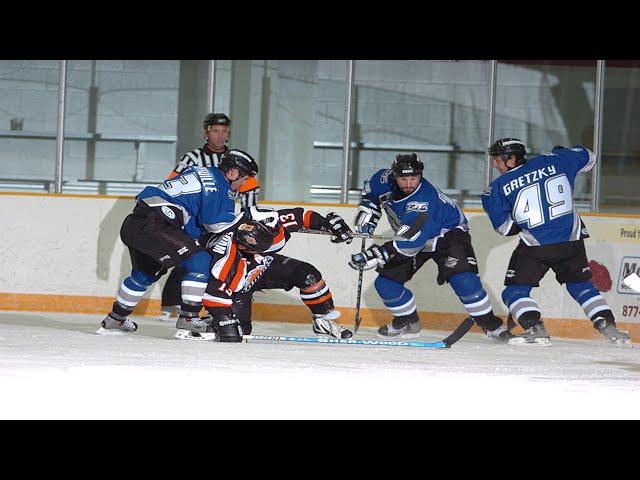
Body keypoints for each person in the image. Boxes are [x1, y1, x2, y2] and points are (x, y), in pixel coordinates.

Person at [481, 138, 631, 346]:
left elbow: (505, 229)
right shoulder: (557, 160)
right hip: (572, 241)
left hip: (536, 246)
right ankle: (610, 328)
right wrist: (562, 152)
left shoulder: (496, 188)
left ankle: (535, 328)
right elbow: (590, 157)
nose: (495, 165)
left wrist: (523, 218)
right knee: (581, 286)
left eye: (498, 160)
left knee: (515, 291)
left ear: (513, 158)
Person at [348, 153, 511, 342]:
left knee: (464, 281)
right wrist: (369, 211)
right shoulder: (383, 179)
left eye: (414, 178)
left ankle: (492, 325)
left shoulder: (423, 200)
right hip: (412, 236)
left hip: (448, 235)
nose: (409, 184)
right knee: (385, 284)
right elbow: (371, 195)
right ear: (394, 175)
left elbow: (411, 243)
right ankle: (408, 321)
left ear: (420, 175)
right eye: (404, 179)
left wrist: (377, 253)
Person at [97, 149, 259, 335]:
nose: (244, 183)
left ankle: (115, 319)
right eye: (244, 178)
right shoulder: (216, 184)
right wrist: (246, 223)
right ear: (232, 173)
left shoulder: (204, 173)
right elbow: (213, 222)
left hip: (137, 223)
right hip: (157, 223)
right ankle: (189, 318)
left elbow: (193, 224)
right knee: (200, 261)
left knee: (145, 274)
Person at [189, 206, 354, 342]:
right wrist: (223, 319)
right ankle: (208, 323)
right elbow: (215, 290)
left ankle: (323, 320)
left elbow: (302, 216)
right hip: (240, 283)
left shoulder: (272, 220)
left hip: (263, 264)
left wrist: (328, 223)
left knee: (307, 275)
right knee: (241, 331)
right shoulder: (225, 250)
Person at [159, 113, 261, 321]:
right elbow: (172, 185)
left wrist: (248, 220)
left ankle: (211, 302)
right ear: (206, 133)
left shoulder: (238, 160)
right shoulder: (193, 158)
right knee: (188, 256)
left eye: (224, 131)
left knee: (216, 258)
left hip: (221, 216)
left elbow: (249, 192)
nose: (221, 135)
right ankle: (175, 303)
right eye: (216, 130)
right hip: (194, 216)